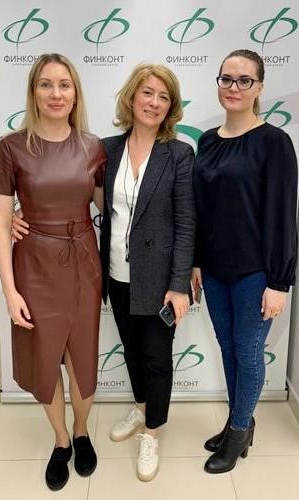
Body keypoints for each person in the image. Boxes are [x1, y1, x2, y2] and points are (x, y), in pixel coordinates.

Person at [0, 53, 106, 491]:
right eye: (46, 84)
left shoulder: (93, 147)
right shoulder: (11, 147)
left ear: (75, 93)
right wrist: (10, 290)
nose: (56, 93)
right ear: (33, 92)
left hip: (83, 264)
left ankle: (82, 431)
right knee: (44, 358)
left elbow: (110, 204)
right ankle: (60, 441)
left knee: (82, 358)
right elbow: (0, 224)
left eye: (64, 85)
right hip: (33, 266)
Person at [191, 49, 298, 474]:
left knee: (249, 352)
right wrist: (196, 262)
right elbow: (202, 210)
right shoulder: (207, 141)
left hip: (256, 273)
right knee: (228, 348)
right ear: (218, 83)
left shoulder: (274, 142)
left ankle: (238, 433)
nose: (233, 87)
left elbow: (282, 214)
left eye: (244, 80)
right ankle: (240, 422)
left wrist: (280, 282)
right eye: (227, 79)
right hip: (215, 271)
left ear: (259, 87)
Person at [100, 64, 195, 481]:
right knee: (132, 351)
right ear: (132, 97)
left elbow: (186, 223)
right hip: (117, 272)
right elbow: (74, 194)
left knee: (156, 357)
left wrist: (179, 285)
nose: (154, 102)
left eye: (163, 96)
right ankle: (139, 408)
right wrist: (18, 213)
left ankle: (152, 432)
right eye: (147, 93)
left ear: (170, 106)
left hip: (160, 280)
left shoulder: (179, 154)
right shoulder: (107, 149)